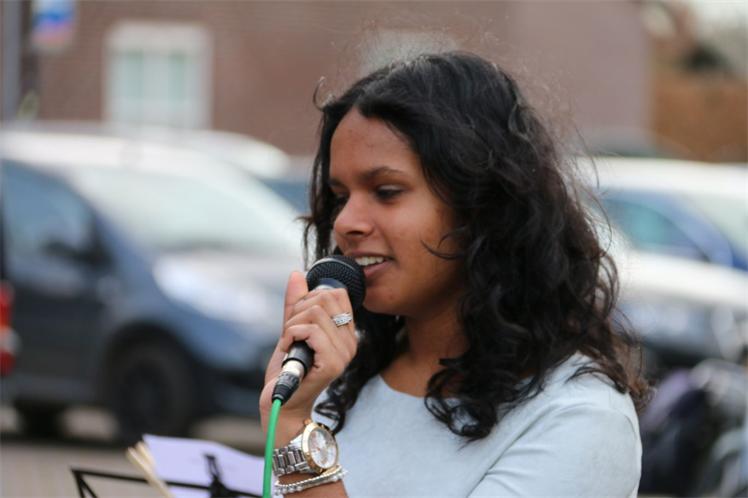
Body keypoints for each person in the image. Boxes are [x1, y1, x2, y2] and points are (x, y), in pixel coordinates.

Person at [259, 51, 649, 497]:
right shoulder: (338, 382)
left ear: (481, 206)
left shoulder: (579, 417)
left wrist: (296, 437)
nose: (346, 222)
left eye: (386, 191)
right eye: (340, 196)